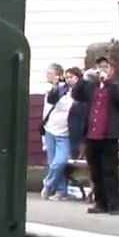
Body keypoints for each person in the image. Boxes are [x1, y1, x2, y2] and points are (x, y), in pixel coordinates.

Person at [72, 56, 119, 215]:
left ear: (112, 69)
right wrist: (83, 79)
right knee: (95, 172)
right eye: (99, 67)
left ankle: (116, 204)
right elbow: (76, 95)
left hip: (109, 135)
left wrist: (108, 82)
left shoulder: (117, 86)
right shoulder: (91, 86)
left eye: (105, 66)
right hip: (92, 135)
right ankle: (101, 203)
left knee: (109, 171)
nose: (102, 70)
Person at [40, 65, 76, 200]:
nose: (47, 75)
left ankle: (48, 183)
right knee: (52, 161)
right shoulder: (50, 91)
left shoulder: (68, 92)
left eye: (50, 73)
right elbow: (46, 111)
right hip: (50, 129)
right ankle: (61, 191)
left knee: (59, 161)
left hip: (64, 132)